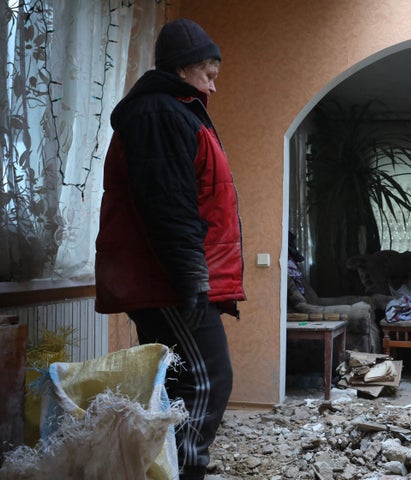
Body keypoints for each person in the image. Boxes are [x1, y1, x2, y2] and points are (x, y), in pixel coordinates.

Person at [94, 18, 246, 480]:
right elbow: (168, 205)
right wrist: (191, 278)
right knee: (207, 382)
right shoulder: (160, 113)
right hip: (168, 282)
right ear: (184, 69)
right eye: (209, 75)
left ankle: (164, 471)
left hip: (169, 279)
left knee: (180, 386)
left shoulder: (173, 109)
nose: (213, 87)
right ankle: (183, 475)